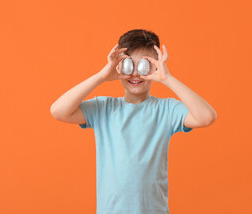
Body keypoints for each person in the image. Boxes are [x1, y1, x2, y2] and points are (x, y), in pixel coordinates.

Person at [50, 29, 217, 214]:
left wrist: (167, 79)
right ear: (119, 66)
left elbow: (206, 116)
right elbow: (58, 111)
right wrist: (101, 76)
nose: (136, 73)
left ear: (155, 67)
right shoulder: (104, 108)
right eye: (129, 64)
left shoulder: (166, 110)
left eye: (144, 65)